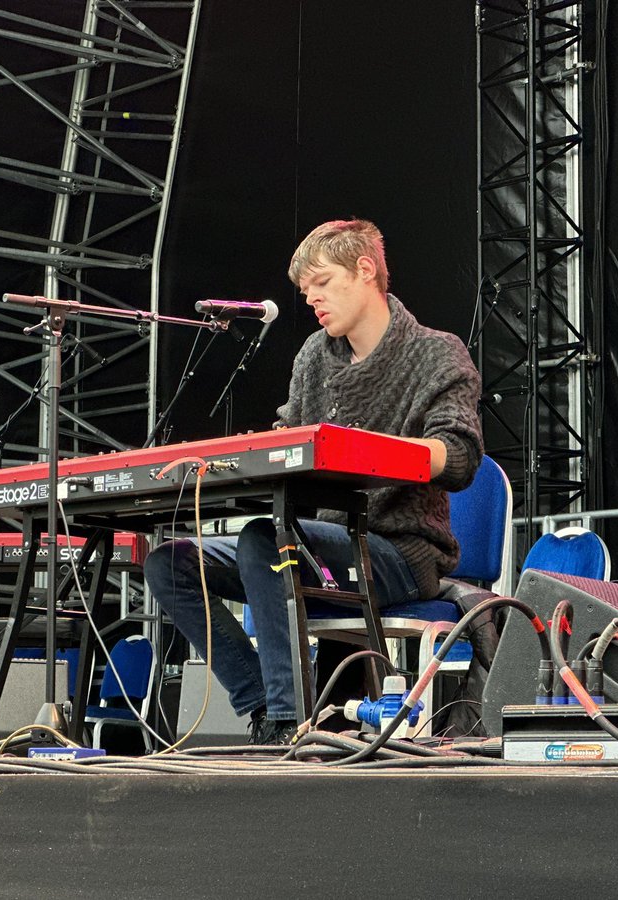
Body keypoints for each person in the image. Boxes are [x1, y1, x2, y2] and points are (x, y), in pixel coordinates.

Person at [144, 219, 483, 744]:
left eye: (322, 283)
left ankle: (289, 721)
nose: (312, 300)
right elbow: (289, 441)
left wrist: (367, 453)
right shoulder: (313, 357)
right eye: (306, 292)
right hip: (316, 546)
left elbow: (459, 456)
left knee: (264, 539)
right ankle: (265, 707)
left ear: (365, 270)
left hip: (398, 552)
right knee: (171, 561)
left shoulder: (437, 353)